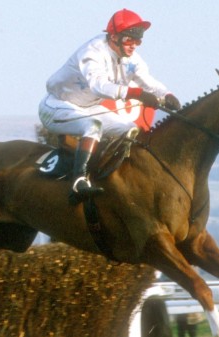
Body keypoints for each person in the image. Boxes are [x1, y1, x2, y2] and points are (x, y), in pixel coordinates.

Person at [38, 8, 180, 198]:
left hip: (89, 107)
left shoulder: (131, 58)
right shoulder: (92, 53)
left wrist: (167, 94)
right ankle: (78, 181)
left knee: (130, 129)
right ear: (113, 37)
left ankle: (112, 176)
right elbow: (99, 86)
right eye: (129, 39)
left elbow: (147, 80)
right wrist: (136, 94)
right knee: (93, 125)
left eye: (138, 41)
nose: (134, 46)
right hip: (56, 107)